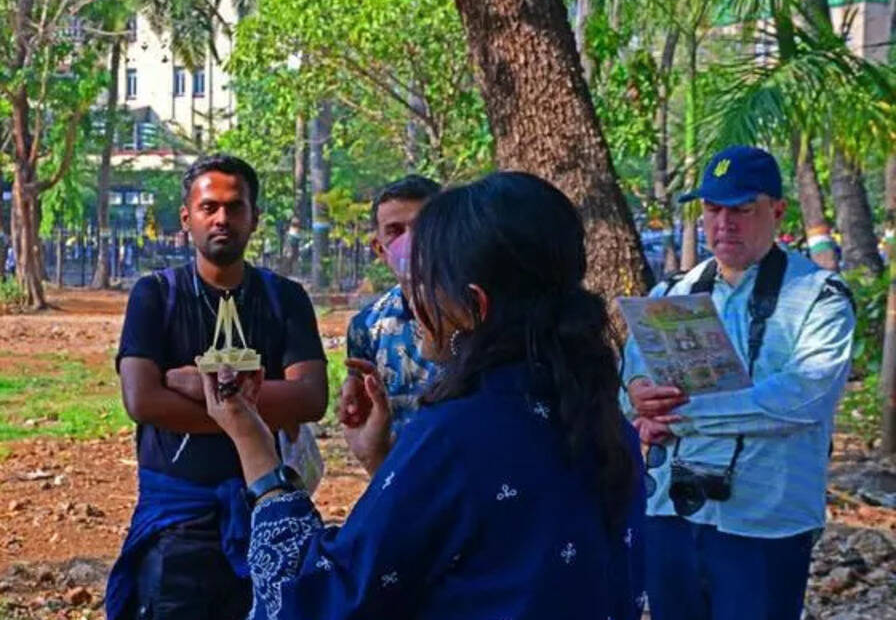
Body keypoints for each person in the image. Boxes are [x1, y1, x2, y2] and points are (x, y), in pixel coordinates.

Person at [200, 172, 645, 619]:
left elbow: (324, 599)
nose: (411, 301)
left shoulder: (457, 435)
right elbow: (479, 545)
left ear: (473, 306)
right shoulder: (603, 422)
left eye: (425, 280)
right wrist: (385, 462)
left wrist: (251, 440)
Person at [622, 146, 855, 620]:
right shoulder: (670, 293)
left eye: (742, 209)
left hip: (765, 520)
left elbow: (800, 399)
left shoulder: (820, 297)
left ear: (777, 211)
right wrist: (638, 398)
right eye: (713, 209)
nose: (724, 223)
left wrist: (682, 415)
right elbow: (631, 381)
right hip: (670, 511)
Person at [106, 154, 329, 620]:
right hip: (177, 518)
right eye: (209, 207)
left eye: (234, 207)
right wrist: (246, 411)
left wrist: (193, 384)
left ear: (254, 217)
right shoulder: (155, 295)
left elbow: (311, 398)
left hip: (265, 511)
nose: (222, 218)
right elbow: (142, 400)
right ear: (187, 218)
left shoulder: (284, 298)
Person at [343, 174, 442, 434]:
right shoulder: (367, 327)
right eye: (395, 231)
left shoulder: (477, 311)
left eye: (423, 227)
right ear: (379, 248)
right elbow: (363, 410)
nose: (412, 241)